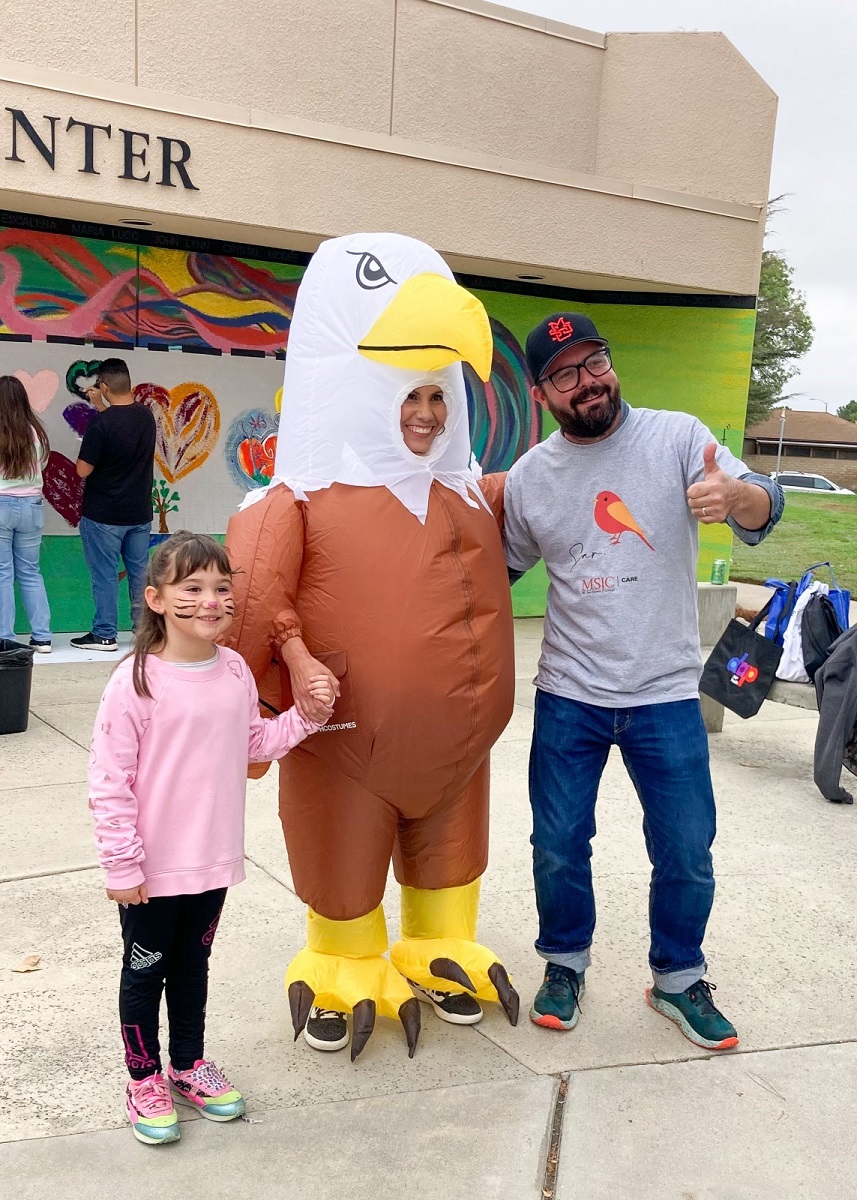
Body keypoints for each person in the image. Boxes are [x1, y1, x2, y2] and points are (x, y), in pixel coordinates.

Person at [225, 232, 519, 1062]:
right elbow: (247, 603)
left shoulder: (471, 492)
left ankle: (438, 938)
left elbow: (559, 504)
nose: (424, 414)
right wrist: (237, 733)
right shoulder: (294, 503)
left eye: (437, 395)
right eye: (405, 395)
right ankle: (344, 951)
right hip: (344, 742)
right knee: (345, 832)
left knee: (450, 844)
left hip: (461, 752)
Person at [504, 312, 784, 1050]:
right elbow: (489, 572)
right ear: (540, 395)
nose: (587, 380)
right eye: (565, 373)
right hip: (569, 693)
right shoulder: (533, 478)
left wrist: (736, 500)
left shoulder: (678, 438)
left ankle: (678, 978)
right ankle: (563, 964)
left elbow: (762, 504)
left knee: (687, 847)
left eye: (594, 360)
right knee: (558, 843)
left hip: (663, 691)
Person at [88, 531, 334, 1145]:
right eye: (192, 588)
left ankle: (189, 1065)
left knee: (192, 966)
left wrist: (305, 719)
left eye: (222, 588)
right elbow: (109, 780)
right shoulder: (136, 682)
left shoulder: (233, 671)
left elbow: (252, 744)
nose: (211, 600)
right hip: (150, 870)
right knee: (145, 974)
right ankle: (143, 1077)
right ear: (157, 600)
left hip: (212, 862)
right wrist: (122, 865)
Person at [73, 358, 156, 651]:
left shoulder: (101, 423)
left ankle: (105, 633)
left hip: (104, 514)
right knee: (139, 573)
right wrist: (101, 405)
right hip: (139, 513)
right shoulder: (146, 417)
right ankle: (145, 633)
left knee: (105, 574)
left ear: (104, 386)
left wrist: (99, 410)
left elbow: (83, 469)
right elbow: (122, 424)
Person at [0, 375, 52, 652]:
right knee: (31, 572)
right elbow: (41, 465)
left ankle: (5, 637)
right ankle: (42, 636)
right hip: (32, 506)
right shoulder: (36, 432)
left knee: (2, 574)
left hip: (1, 505)